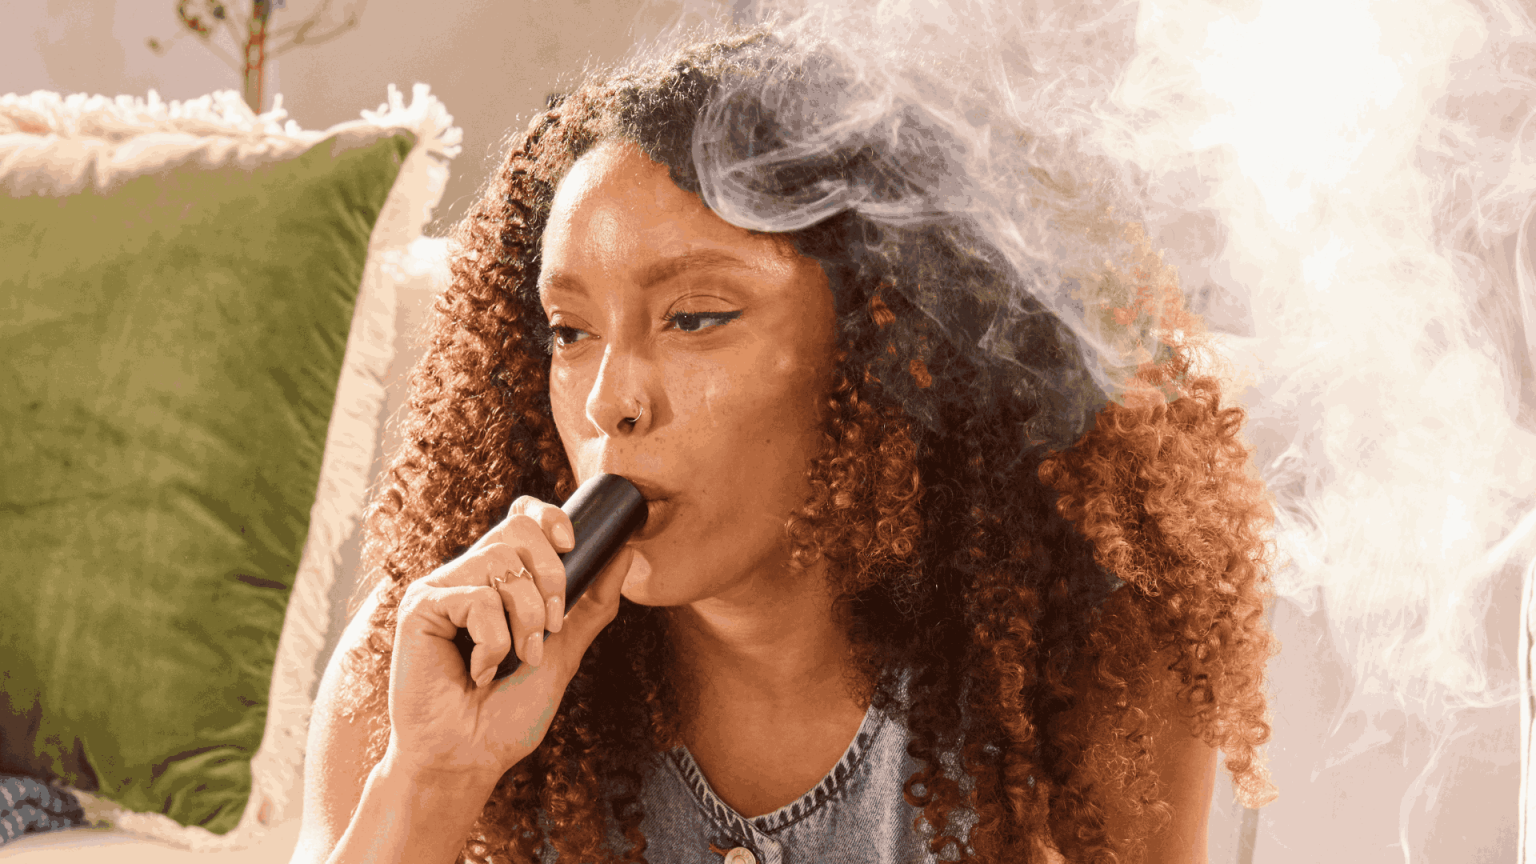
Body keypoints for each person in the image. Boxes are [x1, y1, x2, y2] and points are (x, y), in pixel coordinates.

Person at [292, 25, 1277, 864]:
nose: (608, 400)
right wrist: (433, 779)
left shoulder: (1080, 666)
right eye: (570, 331)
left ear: (883, 350)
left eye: (695, 318)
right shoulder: (432, 652)